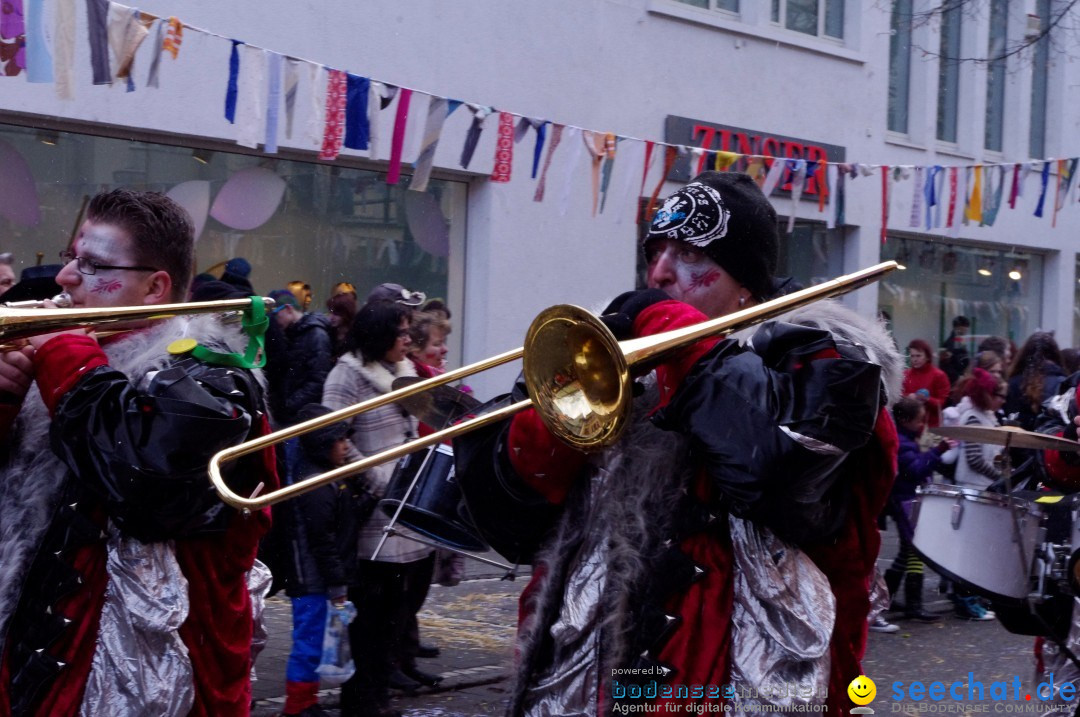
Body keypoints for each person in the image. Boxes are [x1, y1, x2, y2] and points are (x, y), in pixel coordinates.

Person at [455, 171, 902, 716]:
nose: (660, 273)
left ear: (745, 282)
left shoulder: (826, 358)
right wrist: (565, 403)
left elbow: (775, 473)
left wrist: (676, 333)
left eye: (689, 254)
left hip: (744, 672)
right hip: (597, 662)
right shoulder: (621, 347)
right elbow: (509, 517)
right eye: (656, 251)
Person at [0, 188, 277, 716]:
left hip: (137, 679)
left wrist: (68, 360)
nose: (64, 278)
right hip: (28, 658)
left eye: (94, 265)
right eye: (70, 258)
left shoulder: (214, 374)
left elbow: (151, 488)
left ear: (155, 287)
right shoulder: (58, 357)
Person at [323, 299, 438, 717]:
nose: (408, 341)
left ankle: (380, 698)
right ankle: (362, 703)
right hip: (373, 512)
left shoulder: (402, 373)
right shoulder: (346, 374)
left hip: (407, 507)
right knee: (370, 620)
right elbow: (333, 434)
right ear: (380, 335)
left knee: (396, 613)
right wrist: (374, 479)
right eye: (401, 333)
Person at [281, 403, 372, 717]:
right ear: (322, 444)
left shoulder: (329, 477)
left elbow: (342, 524)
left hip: (319, 577)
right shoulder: (317, 485)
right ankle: (297, 706)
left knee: (316, 642)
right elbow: (323, 541)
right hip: (313, 580)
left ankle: (308, 701)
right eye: (340, 440)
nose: (346, 445)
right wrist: (337, 584)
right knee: (308, 644)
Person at [883, 398, 956, 623]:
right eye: (919, 420)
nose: (922, 424)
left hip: (905, 500)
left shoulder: (904, 439)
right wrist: (937, 451)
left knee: (907, 552)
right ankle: (912, 604)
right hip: (905, 501)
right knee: (915, 550)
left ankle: (887, 596)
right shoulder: (903, 444)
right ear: (906, 420)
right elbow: (915, 469)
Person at [266, 289, 334, 429]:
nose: (274, 320)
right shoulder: (293, 333)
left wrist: (288, 404)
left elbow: (318, 379)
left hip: (300, 417)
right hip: (292, 413)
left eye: (275, 314)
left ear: (288, 309)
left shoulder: (316, 335)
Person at [1005, 331, 1066, 431]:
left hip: (1018, 441)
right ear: (1055, 354)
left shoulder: (1013, 383)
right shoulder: (1063, 384)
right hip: (1051, 443)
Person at [902, 338, 950, 428]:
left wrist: (927, 399)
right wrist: (908, 398)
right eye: (912, 356)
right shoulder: (905, 374)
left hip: (931, 427)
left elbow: (941, 403)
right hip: (909, 427)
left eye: (918, 356)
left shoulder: (939, 375)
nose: (915, 359)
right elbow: (898, 398)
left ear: (927, 357)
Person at [326, 292, 359, 358]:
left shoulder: (355, 337)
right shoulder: (328, 331)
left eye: (336, 314)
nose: (331, 317)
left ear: (346, 314)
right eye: (330, 312)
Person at [940, 316, 971, 385]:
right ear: (956, 329)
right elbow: (944, 365)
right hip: (954, 381)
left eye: (965, 333)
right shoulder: (950, 344)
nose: (963, 335)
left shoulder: (960, 342)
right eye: (961, 333)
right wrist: (957, 377)